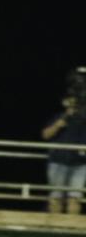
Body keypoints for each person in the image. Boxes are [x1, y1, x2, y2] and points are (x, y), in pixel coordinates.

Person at [42, 72, 86, 215]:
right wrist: (61, 122)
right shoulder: (60, 117)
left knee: (75, 197)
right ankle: (55, 225)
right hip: (58, 161)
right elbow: (45, 135)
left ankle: (71, 225)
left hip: (80, 163)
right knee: (56, 197)